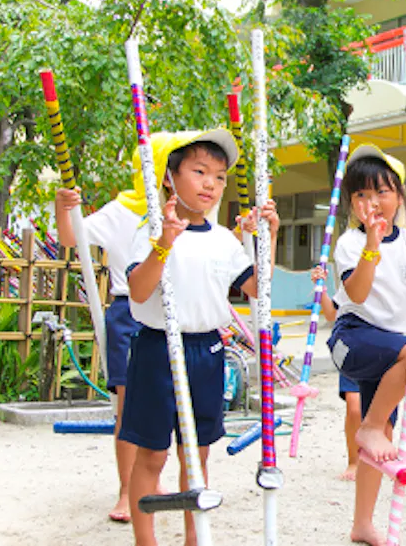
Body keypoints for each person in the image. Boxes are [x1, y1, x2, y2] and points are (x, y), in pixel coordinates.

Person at [121, 130, 278, 546]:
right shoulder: (151, 228)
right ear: (171, 177)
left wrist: (271, 239)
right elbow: (138, 290)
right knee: (153, 453)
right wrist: (163, 245)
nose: (211, 183)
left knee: (198, 454)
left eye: (220, 176)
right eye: (200, 171)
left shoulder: (225, 241)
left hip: (206, 350)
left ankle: (196, 537)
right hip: (157, 350)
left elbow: (259, 287)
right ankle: (145, 539)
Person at [325, 144, 406, 546]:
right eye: (361, 195)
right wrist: (372, 245)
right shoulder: (349, 242)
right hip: (352, 336)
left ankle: (362, 523)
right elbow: (357, 295)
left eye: (381, 191)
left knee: (377, 446)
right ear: (351, 204)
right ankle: (372, 425)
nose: (372, 202)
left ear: (399, 195)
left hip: (389, 347)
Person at [54, 161, 152, 523]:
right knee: (126, 405)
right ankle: (127, 490)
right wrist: (63, 207)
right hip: (129, 309)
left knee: (169, 404)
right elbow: (70, 238)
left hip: (171, 308)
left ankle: (153, 481)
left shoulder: (185, 210)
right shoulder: (120, 212)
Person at [309, 267, 359, 480]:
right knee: (354, 408)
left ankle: (383, 459)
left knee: (382, 411)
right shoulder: (351, 279)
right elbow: (331, 313)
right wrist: (319, 289)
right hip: (353, 344)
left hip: (386, 340)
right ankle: (354, 461)